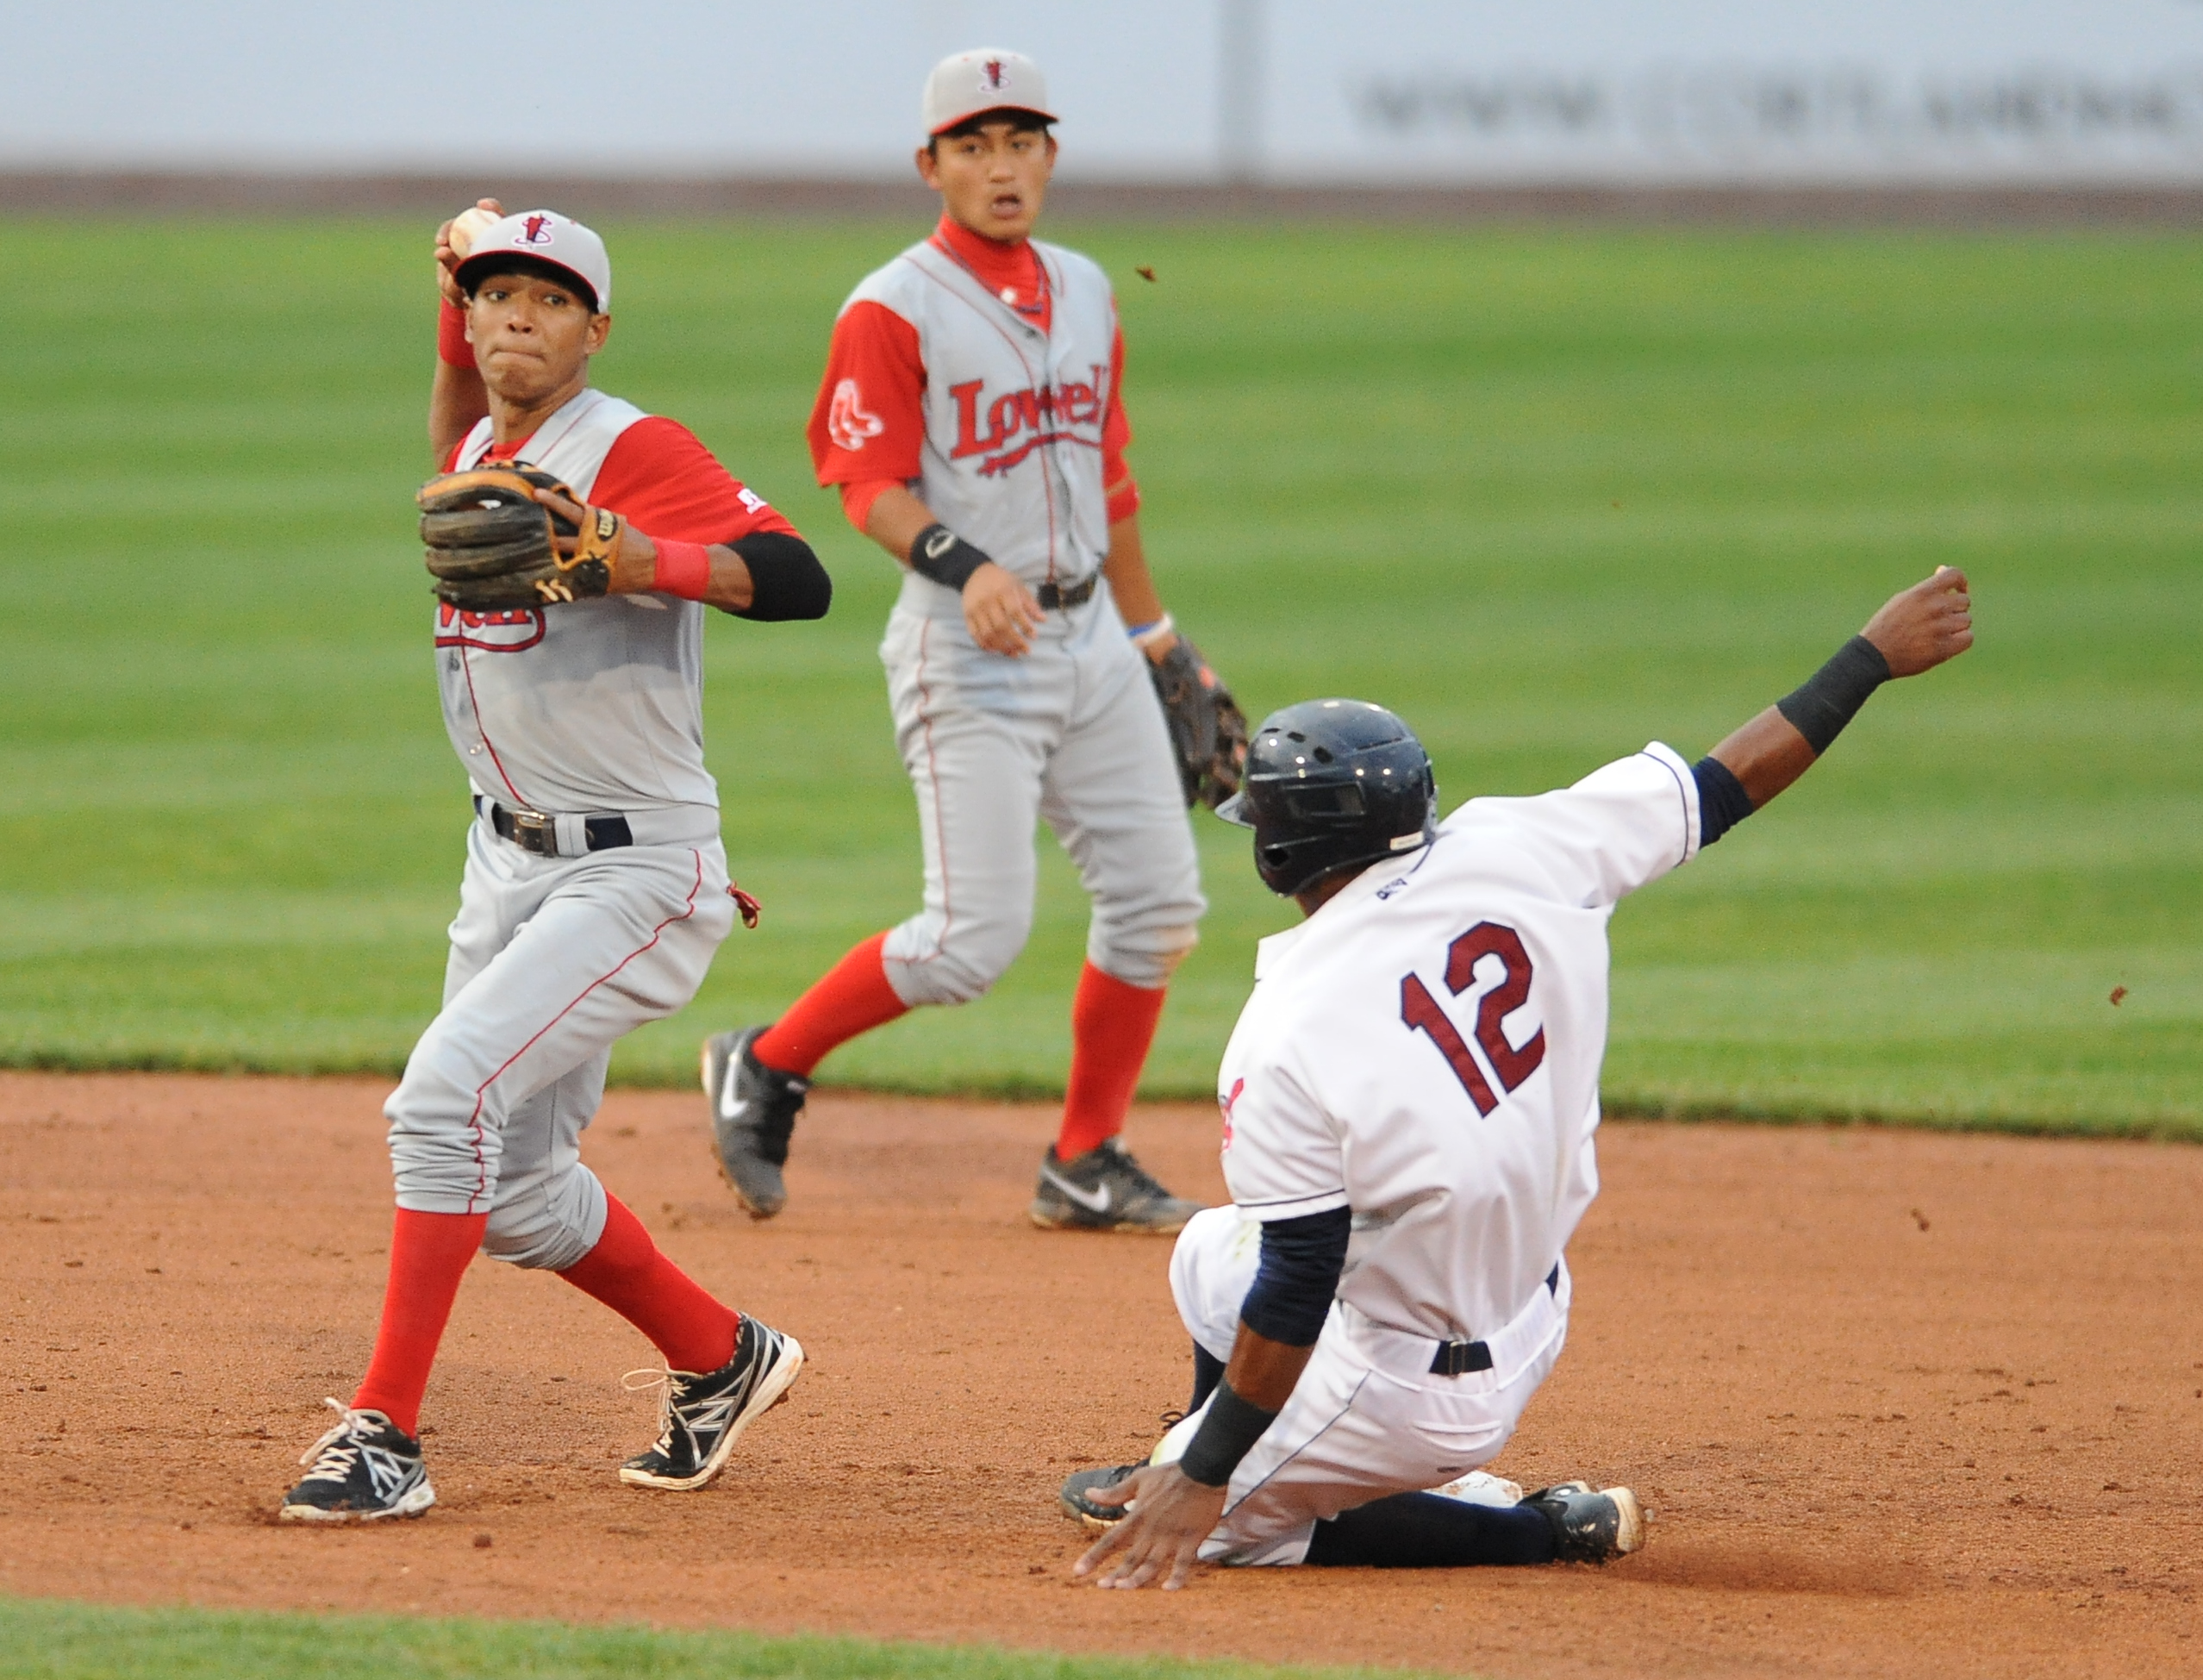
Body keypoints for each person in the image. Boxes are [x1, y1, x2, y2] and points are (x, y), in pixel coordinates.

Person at [1059, 567, 1975, 1585]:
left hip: (1413, 1389)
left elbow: (1299, 1281)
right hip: (1535, 1303)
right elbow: (1726, 783)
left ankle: (1533, 1523)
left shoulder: (1285, 1026)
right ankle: (1261, 1450)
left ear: (1280, 854)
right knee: (1203, 1253)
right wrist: (1872, 657)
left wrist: (1205, 1471)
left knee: (1211, 1518)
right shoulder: (1519, 842)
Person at [279, 209, 833, 1521]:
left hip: (636, 874)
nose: (517, 316)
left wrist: (644, 558)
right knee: (520, 1190)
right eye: (494, 297)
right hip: (507, 866)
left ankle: (385, 1436)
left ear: (596, 329)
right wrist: (444, 306)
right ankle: (723, 1355)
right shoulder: (482, 441)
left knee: (437, 1103)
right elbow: (456, 413)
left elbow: (799, 575)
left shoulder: (631, 445)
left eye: (548, 298)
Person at [702, 48, 1231, 1233]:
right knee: (968, 942)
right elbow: (863, 482)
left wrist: (1158, 640)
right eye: (975, 145)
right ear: (929, 164)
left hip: (1094, 636)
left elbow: (1111, 479)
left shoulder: (1090, 289)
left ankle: (1087, 1155)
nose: (1002, 166)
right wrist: (966, 563)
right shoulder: (892, 305)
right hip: (967, 649)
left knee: (1158, 907)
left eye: (1023, 141)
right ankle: (767, 1061)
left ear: (1051, 155)